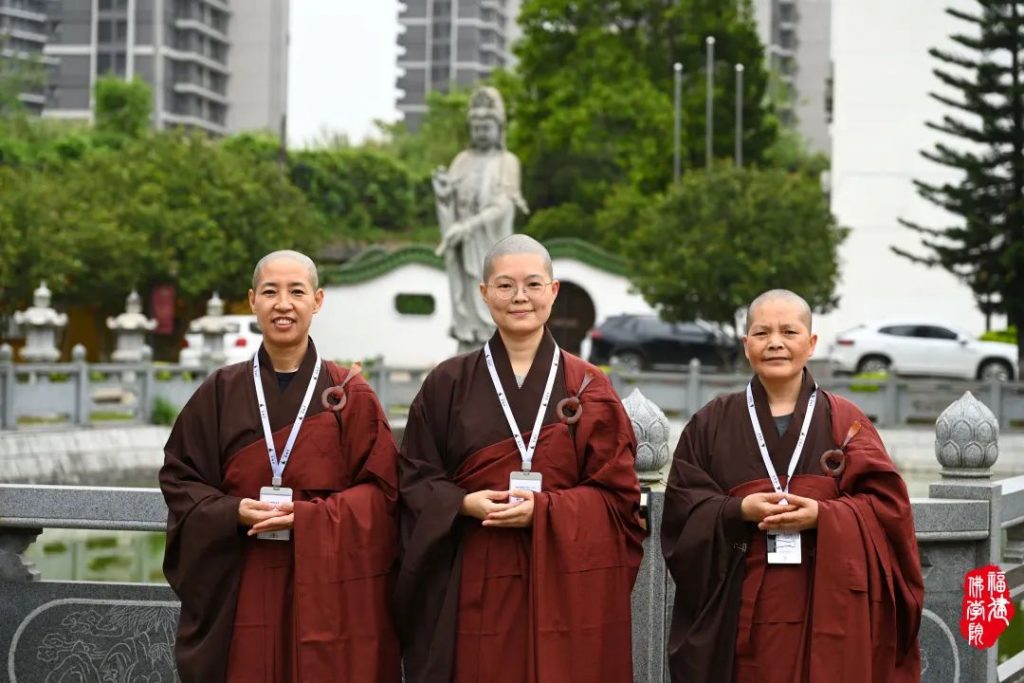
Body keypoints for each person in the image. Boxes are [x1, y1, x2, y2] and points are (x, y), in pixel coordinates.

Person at [396, 234, 645, 683]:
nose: (519, 297)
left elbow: (618, 500)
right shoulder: (447, 383)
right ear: (484, 293)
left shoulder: (589, 386)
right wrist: (462, 503)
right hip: (473, 570)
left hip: (563, 579)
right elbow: (413, 478)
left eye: (532, 284)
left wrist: (547, 510)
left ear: (552, 291)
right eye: (505, 285)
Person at [160, 250, 401, 682]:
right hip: (242, 577)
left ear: (318, 300)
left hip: (328, 586)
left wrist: (312, 518)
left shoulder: (350, 394)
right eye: (270, 292)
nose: (283, 304)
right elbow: (181, 478)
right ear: (253, 301)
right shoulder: (221, 391)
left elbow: (383, 494)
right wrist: (230, 511)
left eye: (296, 291)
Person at [661, 289, 924, 683]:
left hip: (826, 606)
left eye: (789, 331)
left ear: (812, 342)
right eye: (762, 333)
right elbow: (682, 508)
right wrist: (737, 511)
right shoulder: (710, 424)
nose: (776, 343)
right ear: (746, 344)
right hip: (738, 609)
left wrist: (824, 515)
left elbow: (888, 510)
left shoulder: (847, 422)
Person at [432, 86, 529, 350]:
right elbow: (450, 203)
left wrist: (469, 226)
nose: (481, 133)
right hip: (465, 249)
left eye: (487, 127)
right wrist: (443, 195)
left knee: (493, 290)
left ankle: (494, 343)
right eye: (476, 128)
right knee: (468, 293)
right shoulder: (461, 160)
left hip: (491, 246)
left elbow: (504, 205)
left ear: (499, 129)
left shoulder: (507, 161)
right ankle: (468, 338)